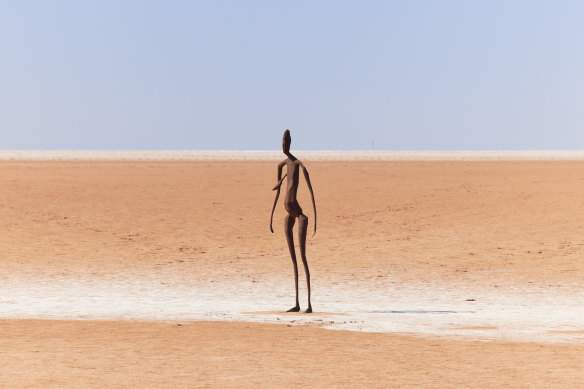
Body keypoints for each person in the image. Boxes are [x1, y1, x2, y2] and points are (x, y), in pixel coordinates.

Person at [270, 129, 317, 313]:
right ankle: (297, 303)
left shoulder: (298, 164)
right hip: (287, 215)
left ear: (290, 143)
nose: (283, 146)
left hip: (299, 216)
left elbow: (310, 189)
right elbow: (278, 194)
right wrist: (271, 217)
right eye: (282, 142)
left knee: (303, 258)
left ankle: (309, 304)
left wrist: (316, 217)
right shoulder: (281, 166)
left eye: (286, 142)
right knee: (293, 260)